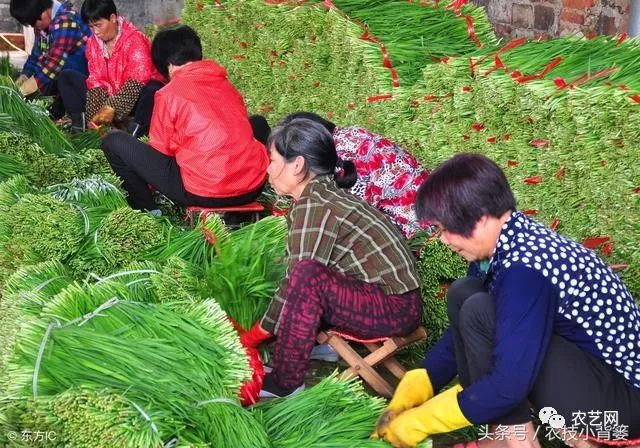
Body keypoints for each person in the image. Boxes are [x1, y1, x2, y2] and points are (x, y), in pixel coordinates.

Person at [374, 153, 640, 448]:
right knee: (466, 293)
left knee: (479, 310)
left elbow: (508, 383)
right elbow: (466, 329)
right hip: (591, 380)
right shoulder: (505, 247)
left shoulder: (526, 268)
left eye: (443, 229)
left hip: (622, 406)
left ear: (481, 216)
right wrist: (423, 380)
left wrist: (423, 420)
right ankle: (505, 435)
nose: (444, 240)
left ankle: (516, 442)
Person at [239, 118, 423, 398]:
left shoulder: (316, 204)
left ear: (297, 166)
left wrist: (257, 334)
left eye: (273, 160)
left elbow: (297, 281)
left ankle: (287, 382)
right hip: (391, 299)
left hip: (394, 308)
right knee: (304, 272)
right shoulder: (322, 196)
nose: (268, 168)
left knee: (305, 276)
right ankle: (317, 346)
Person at [100, 25, 268, 213]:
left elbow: (162, 151)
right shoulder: (226, 85)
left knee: (113, 141)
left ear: (168, 65)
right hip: (253, 187)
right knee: (258, 122)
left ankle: (149, 210)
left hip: (204, 193)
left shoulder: (167, 94)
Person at [278, 112, 429, 238]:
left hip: (421, 227)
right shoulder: (349, 133)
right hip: (430, 192)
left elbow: (356, 225)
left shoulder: (342, 167)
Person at [57, 0, 164, 135]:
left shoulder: (135, 39)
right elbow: (96, 81)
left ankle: (135, 135)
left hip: (134, 100)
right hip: (110, 95)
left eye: (98, 25)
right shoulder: (93, 43)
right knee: (66, 76)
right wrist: (95, 118)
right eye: (91, 27)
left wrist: (112, 107)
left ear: (113, 18)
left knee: (153, 89)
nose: (95, 31)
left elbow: (139, 79)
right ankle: (80, 127)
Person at [10, 0, 90, 98]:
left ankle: (72, 106)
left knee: (65, 66)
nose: (34, 26)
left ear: (44, 11)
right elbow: (36, 55)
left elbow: (55, 63)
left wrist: (28, 88)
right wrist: (25, 75)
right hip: (59, 70)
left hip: (83, 72)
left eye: (33, 22)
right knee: (43, 69)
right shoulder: (43, 24)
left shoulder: (66, 20)